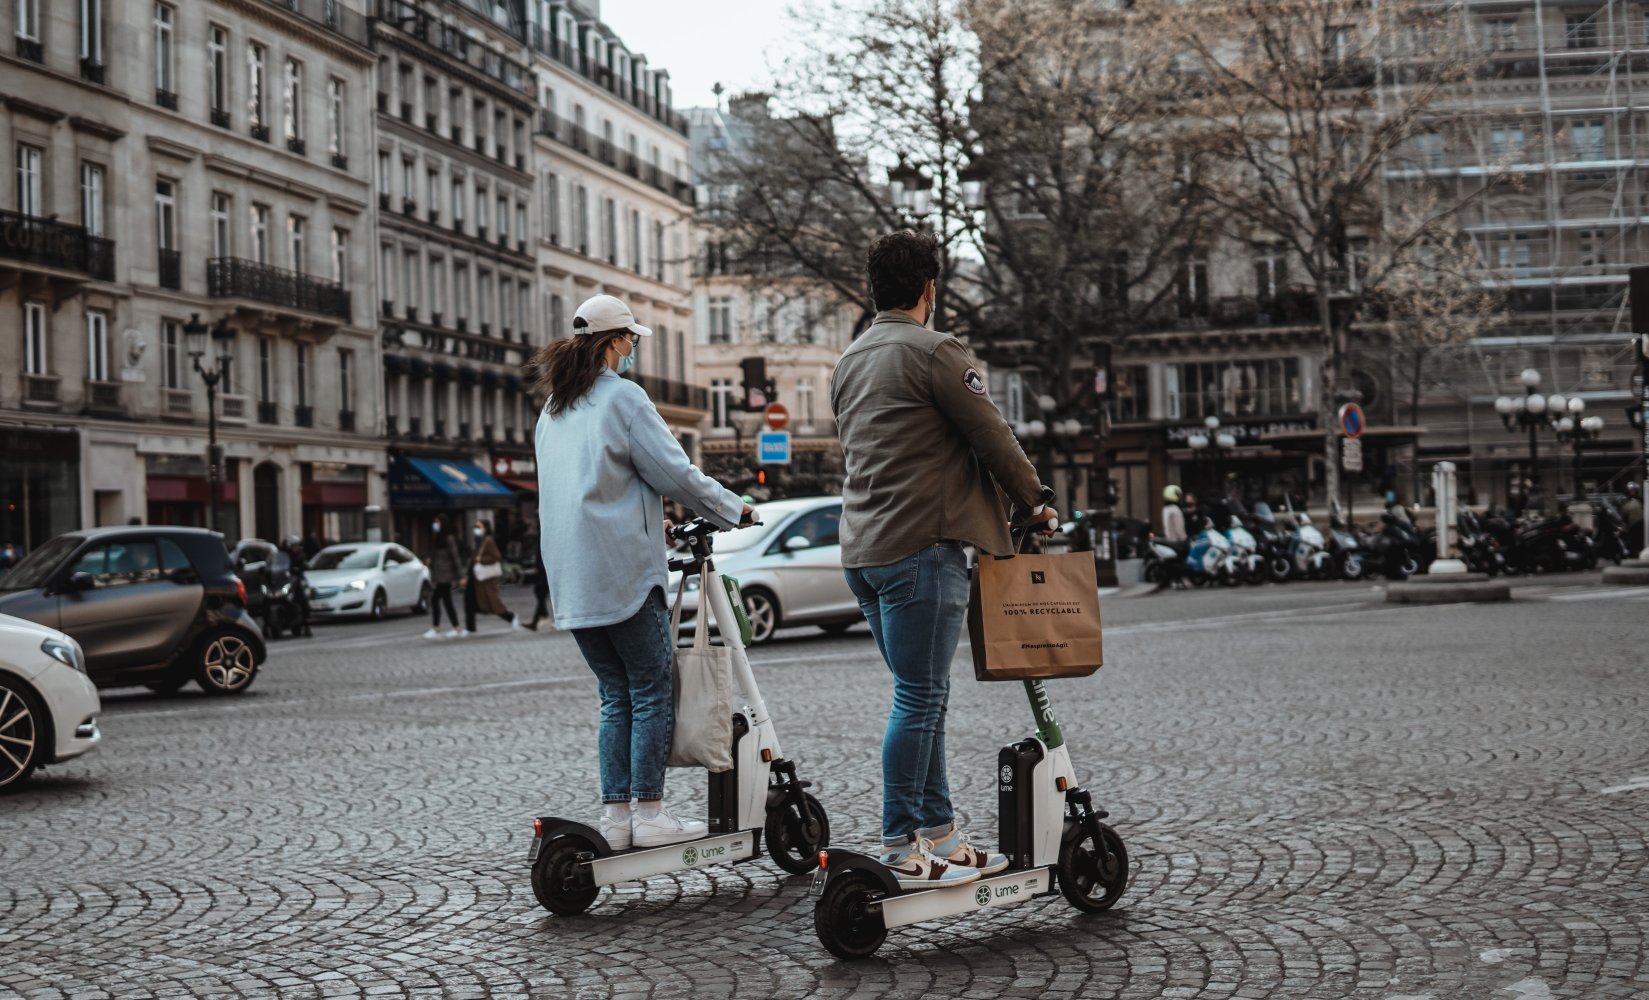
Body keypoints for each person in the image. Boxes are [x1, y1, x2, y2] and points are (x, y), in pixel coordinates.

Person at [830, 229, 1057, 889]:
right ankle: (900, 842)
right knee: (920, 696)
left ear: (874, 288)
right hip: (921, 547)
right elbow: (992, 437)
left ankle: (943, 837)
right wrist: (1035, 501)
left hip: (864, 552)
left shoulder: (850, 359)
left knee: (920, 697)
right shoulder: (935, 351)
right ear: (931, 287)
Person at [534, 292, 753, 851]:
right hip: (622, 572)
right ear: (614, 342)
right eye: (631, 339)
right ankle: (651, 813)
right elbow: (673, 473)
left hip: (573, 578)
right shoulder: (623, 399)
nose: (634, 349)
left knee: (615, 693)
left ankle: (617, 817)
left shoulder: (554, 409)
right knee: (652, 688)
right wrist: (735, 509)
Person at [462, 519, 520, 634]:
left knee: (493, 604)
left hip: (484, 580)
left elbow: (496, 556)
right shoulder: (479, 540)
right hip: (475, 578)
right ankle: (470, 628)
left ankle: (511, 617)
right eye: (475, 527)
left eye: (479, 527)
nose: (476, 529)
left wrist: (481, 560)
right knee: (469, 603)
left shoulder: (488, 541)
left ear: (485, 528)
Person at [424, 515, 465, 639]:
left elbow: (455, 557)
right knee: (444, 601)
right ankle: (455, 627)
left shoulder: (449, 538)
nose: (435, 524)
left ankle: (439, 627)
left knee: (437, 600)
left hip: (446, 576)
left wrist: (461, 576)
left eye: (437, 522)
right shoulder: (437, 538)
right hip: (439, 575)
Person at [526, 558, 551, 631]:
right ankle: (543, 617)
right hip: (542, 570)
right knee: (540, 595)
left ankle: (537, 620)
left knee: (541, 595)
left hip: (544, 570)